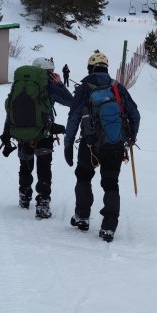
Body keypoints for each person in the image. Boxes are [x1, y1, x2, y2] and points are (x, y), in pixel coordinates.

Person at [63, 51, 141, 242]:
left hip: (89, 144)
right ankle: (109, 227)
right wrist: (131, 137)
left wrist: (68, 144)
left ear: (90, 68)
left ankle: (82, 216)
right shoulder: (118, 88)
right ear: (106, 68)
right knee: (110, 183)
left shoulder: (84, 88)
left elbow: (73, 118)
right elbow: (135, 115)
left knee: (83, 176)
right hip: (114, 145)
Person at [0, 57, 72, 219]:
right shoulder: (50, 87)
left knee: (25, 165)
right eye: (51, 72)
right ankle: (43, 203)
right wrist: (59, 84)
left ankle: (24, 196)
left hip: (22, 133)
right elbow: (70, 101)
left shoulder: (20, 85)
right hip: (44, 134)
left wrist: (7, 132)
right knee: (44, 168)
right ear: (47, 72)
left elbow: (11, 110)